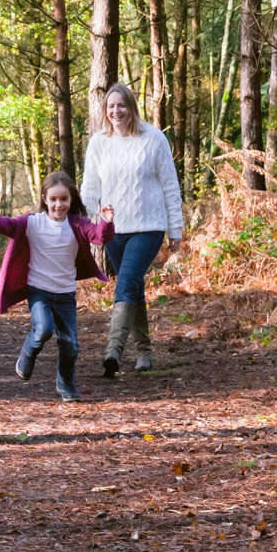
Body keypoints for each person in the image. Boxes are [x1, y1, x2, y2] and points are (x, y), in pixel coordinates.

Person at [0, 175, 114, 403]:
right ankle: (27, 354)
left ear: (71, 200)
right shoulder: (33, 222)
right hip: (39, 290)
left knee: (71, 346)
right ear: (45, 199)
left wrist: (107, 221)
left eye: (63, 199)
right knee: (43, 329)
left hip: (65, 294)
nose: (58, 204)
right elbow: (7, 225)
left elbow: (99, 237)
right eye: (53, 199)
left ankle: (66, 384)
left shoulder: (78, 224)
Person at [80, 82, 185, 376]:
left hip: (149, 226)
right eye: (111, 107)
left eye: (121, 105)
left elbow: (169, 185)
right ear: (105, 110)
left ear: (131, 107)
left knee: (125, 282)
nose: (116, 111)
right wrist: (83, 226)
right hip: (113, 229)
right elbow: (89, 189)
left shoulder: (153, 139)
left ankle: (113, 351)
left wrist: (175, 228)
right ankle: (144, 352)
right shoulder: (99, 142)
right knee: (133, 287)